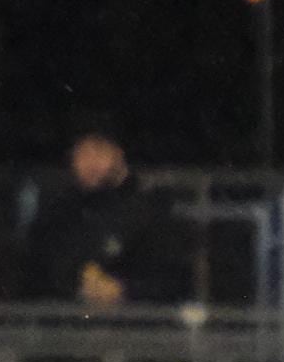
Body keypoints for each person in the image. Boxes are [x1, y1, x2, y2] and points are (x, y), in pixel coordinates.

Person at [16, 119, 181, 307]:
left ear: (118, 154)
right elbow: (36, 276)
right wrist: (74, 284)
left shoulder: (148, 211)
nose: (90, 162)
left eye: (99, 151)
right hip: (64, 327)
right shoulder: (58, 212)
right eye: (82, 153)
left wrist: (123, 290)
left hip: (133, 327)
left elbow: (171, 281)